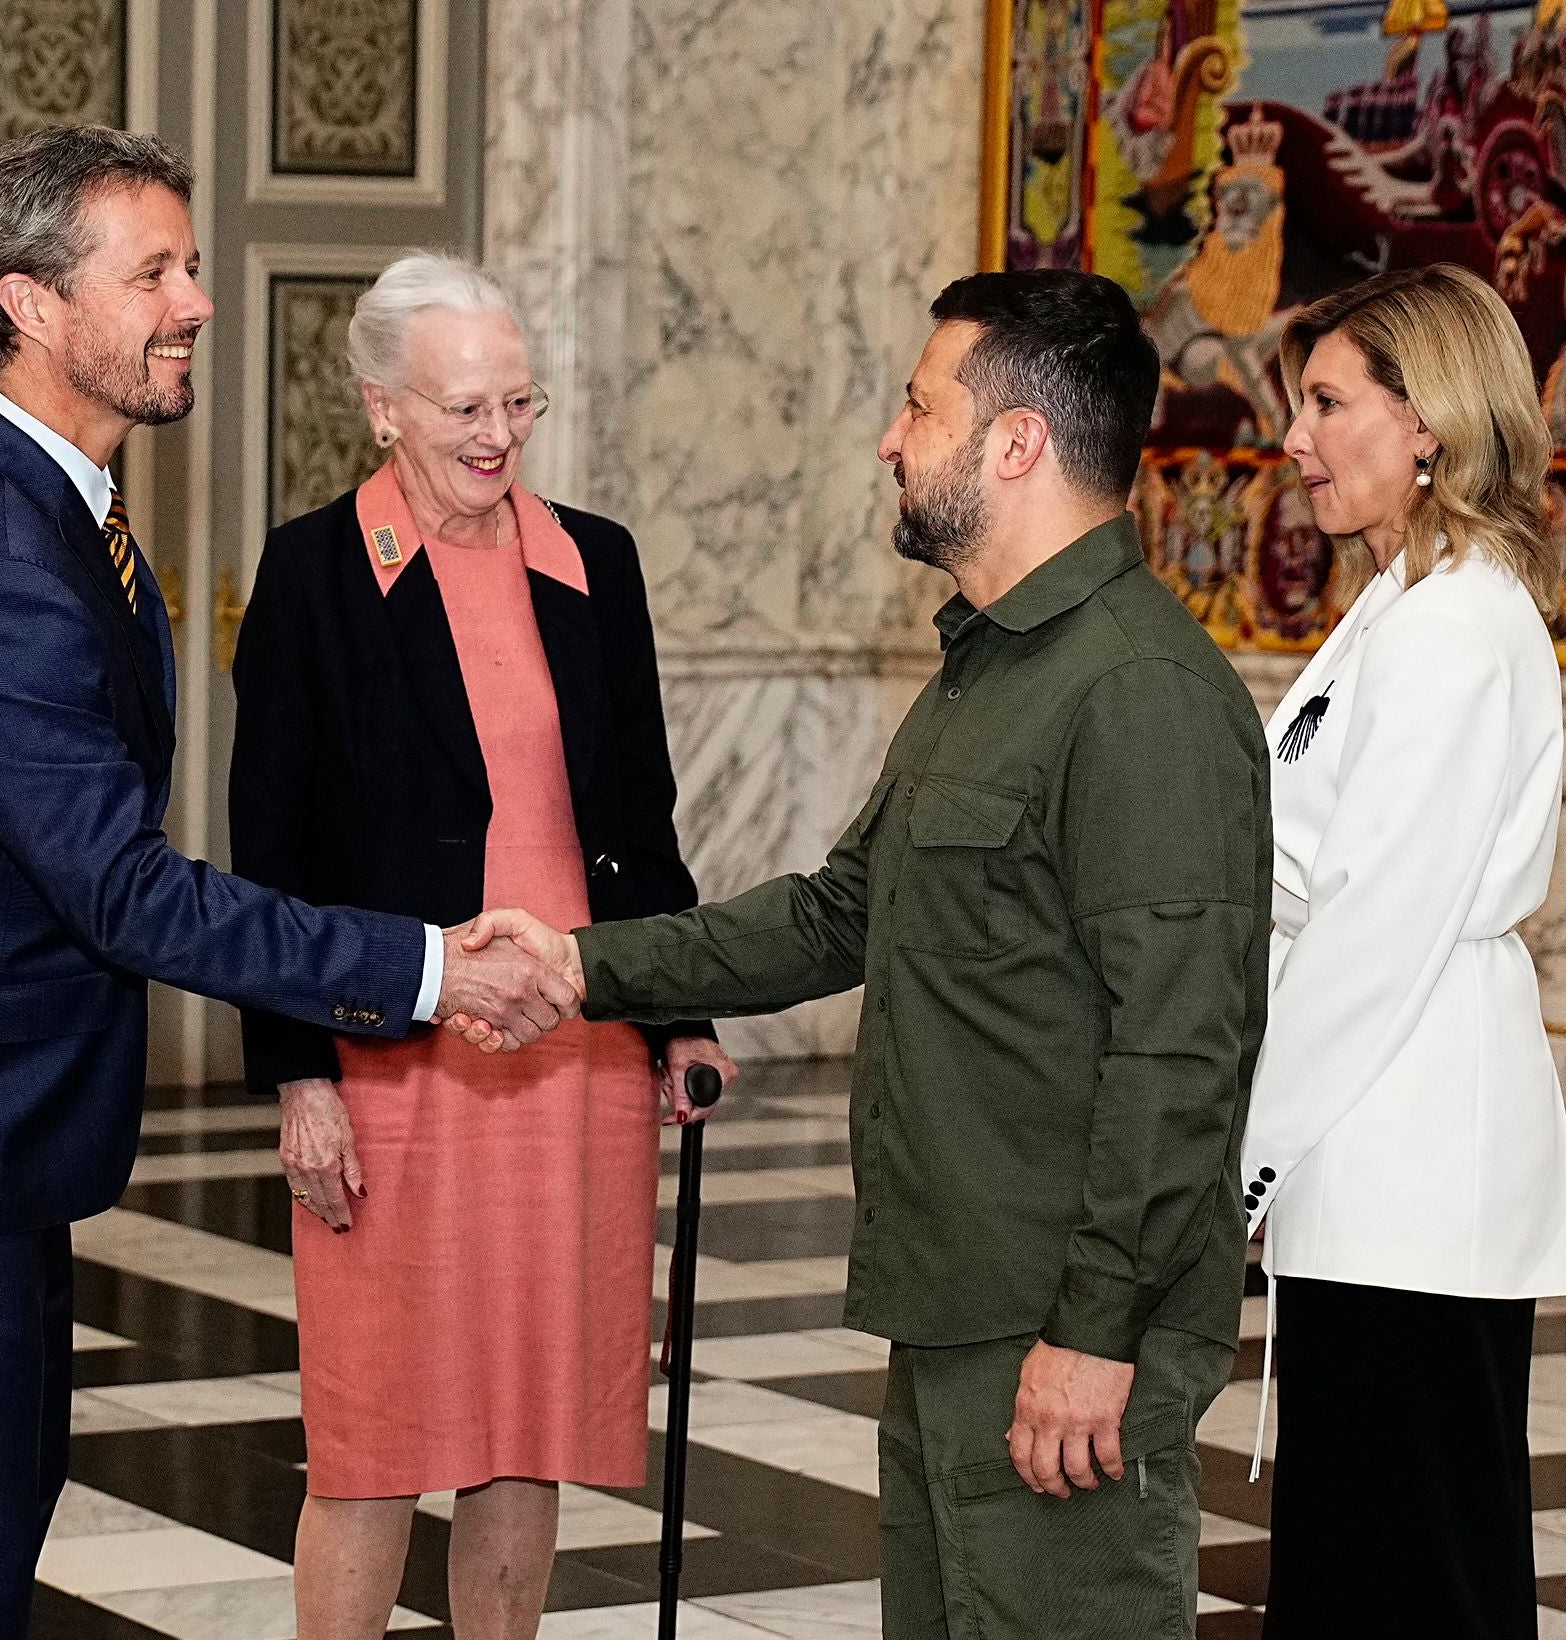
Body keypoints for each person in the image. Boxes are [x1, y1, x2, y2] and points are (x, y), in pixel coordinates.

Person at [0, 125, 579, 1640]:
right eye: (152, 273)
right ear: (31, 304)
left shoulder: (48, 505)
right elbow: (123, 890)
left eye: (189, 264)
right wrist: (425, 969)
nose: (198, 299)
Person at [477, 268, 1271, 1638]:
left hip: (1061, 1328)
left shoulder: (1139, 694)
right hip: (963, 1305)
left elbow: (1180, 1050)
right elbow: (843, 910)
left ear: (1017, 444)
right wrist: (580, 965)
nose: (891, 439)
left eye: (921, 406)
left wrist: (1094, 1334)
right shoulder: (996, 671)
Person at [229, 253, 737, 1640]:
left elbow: (643, 820)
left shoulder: (596, 564)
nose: (499, 438)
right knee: (375, 1435)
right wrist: (300, 1075)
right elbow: (266, 860)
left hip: (572, 1052)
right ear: (381, 406)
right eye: (465, 410)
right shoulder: (314, 577)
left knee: (532, 1425)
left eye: (521, 403)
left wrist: (680, 1009)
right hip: (398, 1061)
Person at [1239, 264, 1566, 1637]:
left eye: (1327, 401)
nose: (1294, 437)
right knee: (1371, 1553)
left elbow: (1373, 926)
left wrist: (1244, 1156)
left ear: (1426, 420)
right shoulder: (1400, 605)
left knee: (1414, 1568)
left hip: (1409, 1153)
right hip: (1374, 1150)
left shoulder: (1451, 627)